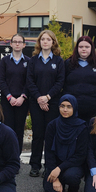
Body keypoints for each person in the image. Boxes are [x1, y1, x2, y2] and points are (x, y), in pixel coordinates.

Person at [25, 29, 65, 177]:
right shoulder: (33, 60)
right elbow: (29, 81)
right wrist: (39, 98)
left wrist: (47, 97)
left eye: (48, 39)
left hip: (53, 103)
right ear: (39, 42)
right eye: (43, 39)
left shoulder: (58, 61)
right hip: (36, 103)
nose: (45, 42)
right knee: (38, 134)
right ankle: (35, 165)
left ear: (53, 42)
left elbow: (60, 82)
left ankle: (50, 165)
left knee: (51, 135)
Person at [42, 94, 89, 192]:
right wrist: (55, 178)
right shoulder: (52, 126)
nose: (65, 109)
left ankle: (73, 188)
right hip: (54, 165)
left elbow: (80, 156)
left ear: (75, 108)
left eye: (69, 106)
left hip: (73, 165)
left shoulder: (82, 127)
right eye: (62, 106)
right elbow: (49, 153)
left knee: (71, 176)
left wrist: (59, 169)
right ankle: (60, 182)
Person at [63, 36, 96, 123]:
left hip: (94, 110)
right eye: (81, 47)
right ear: (77, 49)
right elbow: (60, 82)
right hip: (72, 109)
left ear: (92, 48)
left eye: (87, 47)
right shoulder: (68, 64)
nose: (84, 49)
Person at [0, 33, 30, 155]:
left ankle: (16, 157)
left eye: (19, 42)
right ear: (10, 44)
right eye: (15, 41)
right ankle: (8, 157)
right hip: (8, 101)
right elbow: (1, 80)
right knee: (8, 129)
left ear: (24, 45)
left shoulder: (28, 61)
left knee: (19, 130)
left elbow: (29, 81)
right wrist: (9, 97)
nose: (17, 44)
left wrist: (22, 96)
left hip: (23, 101)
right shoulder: (5, 61)